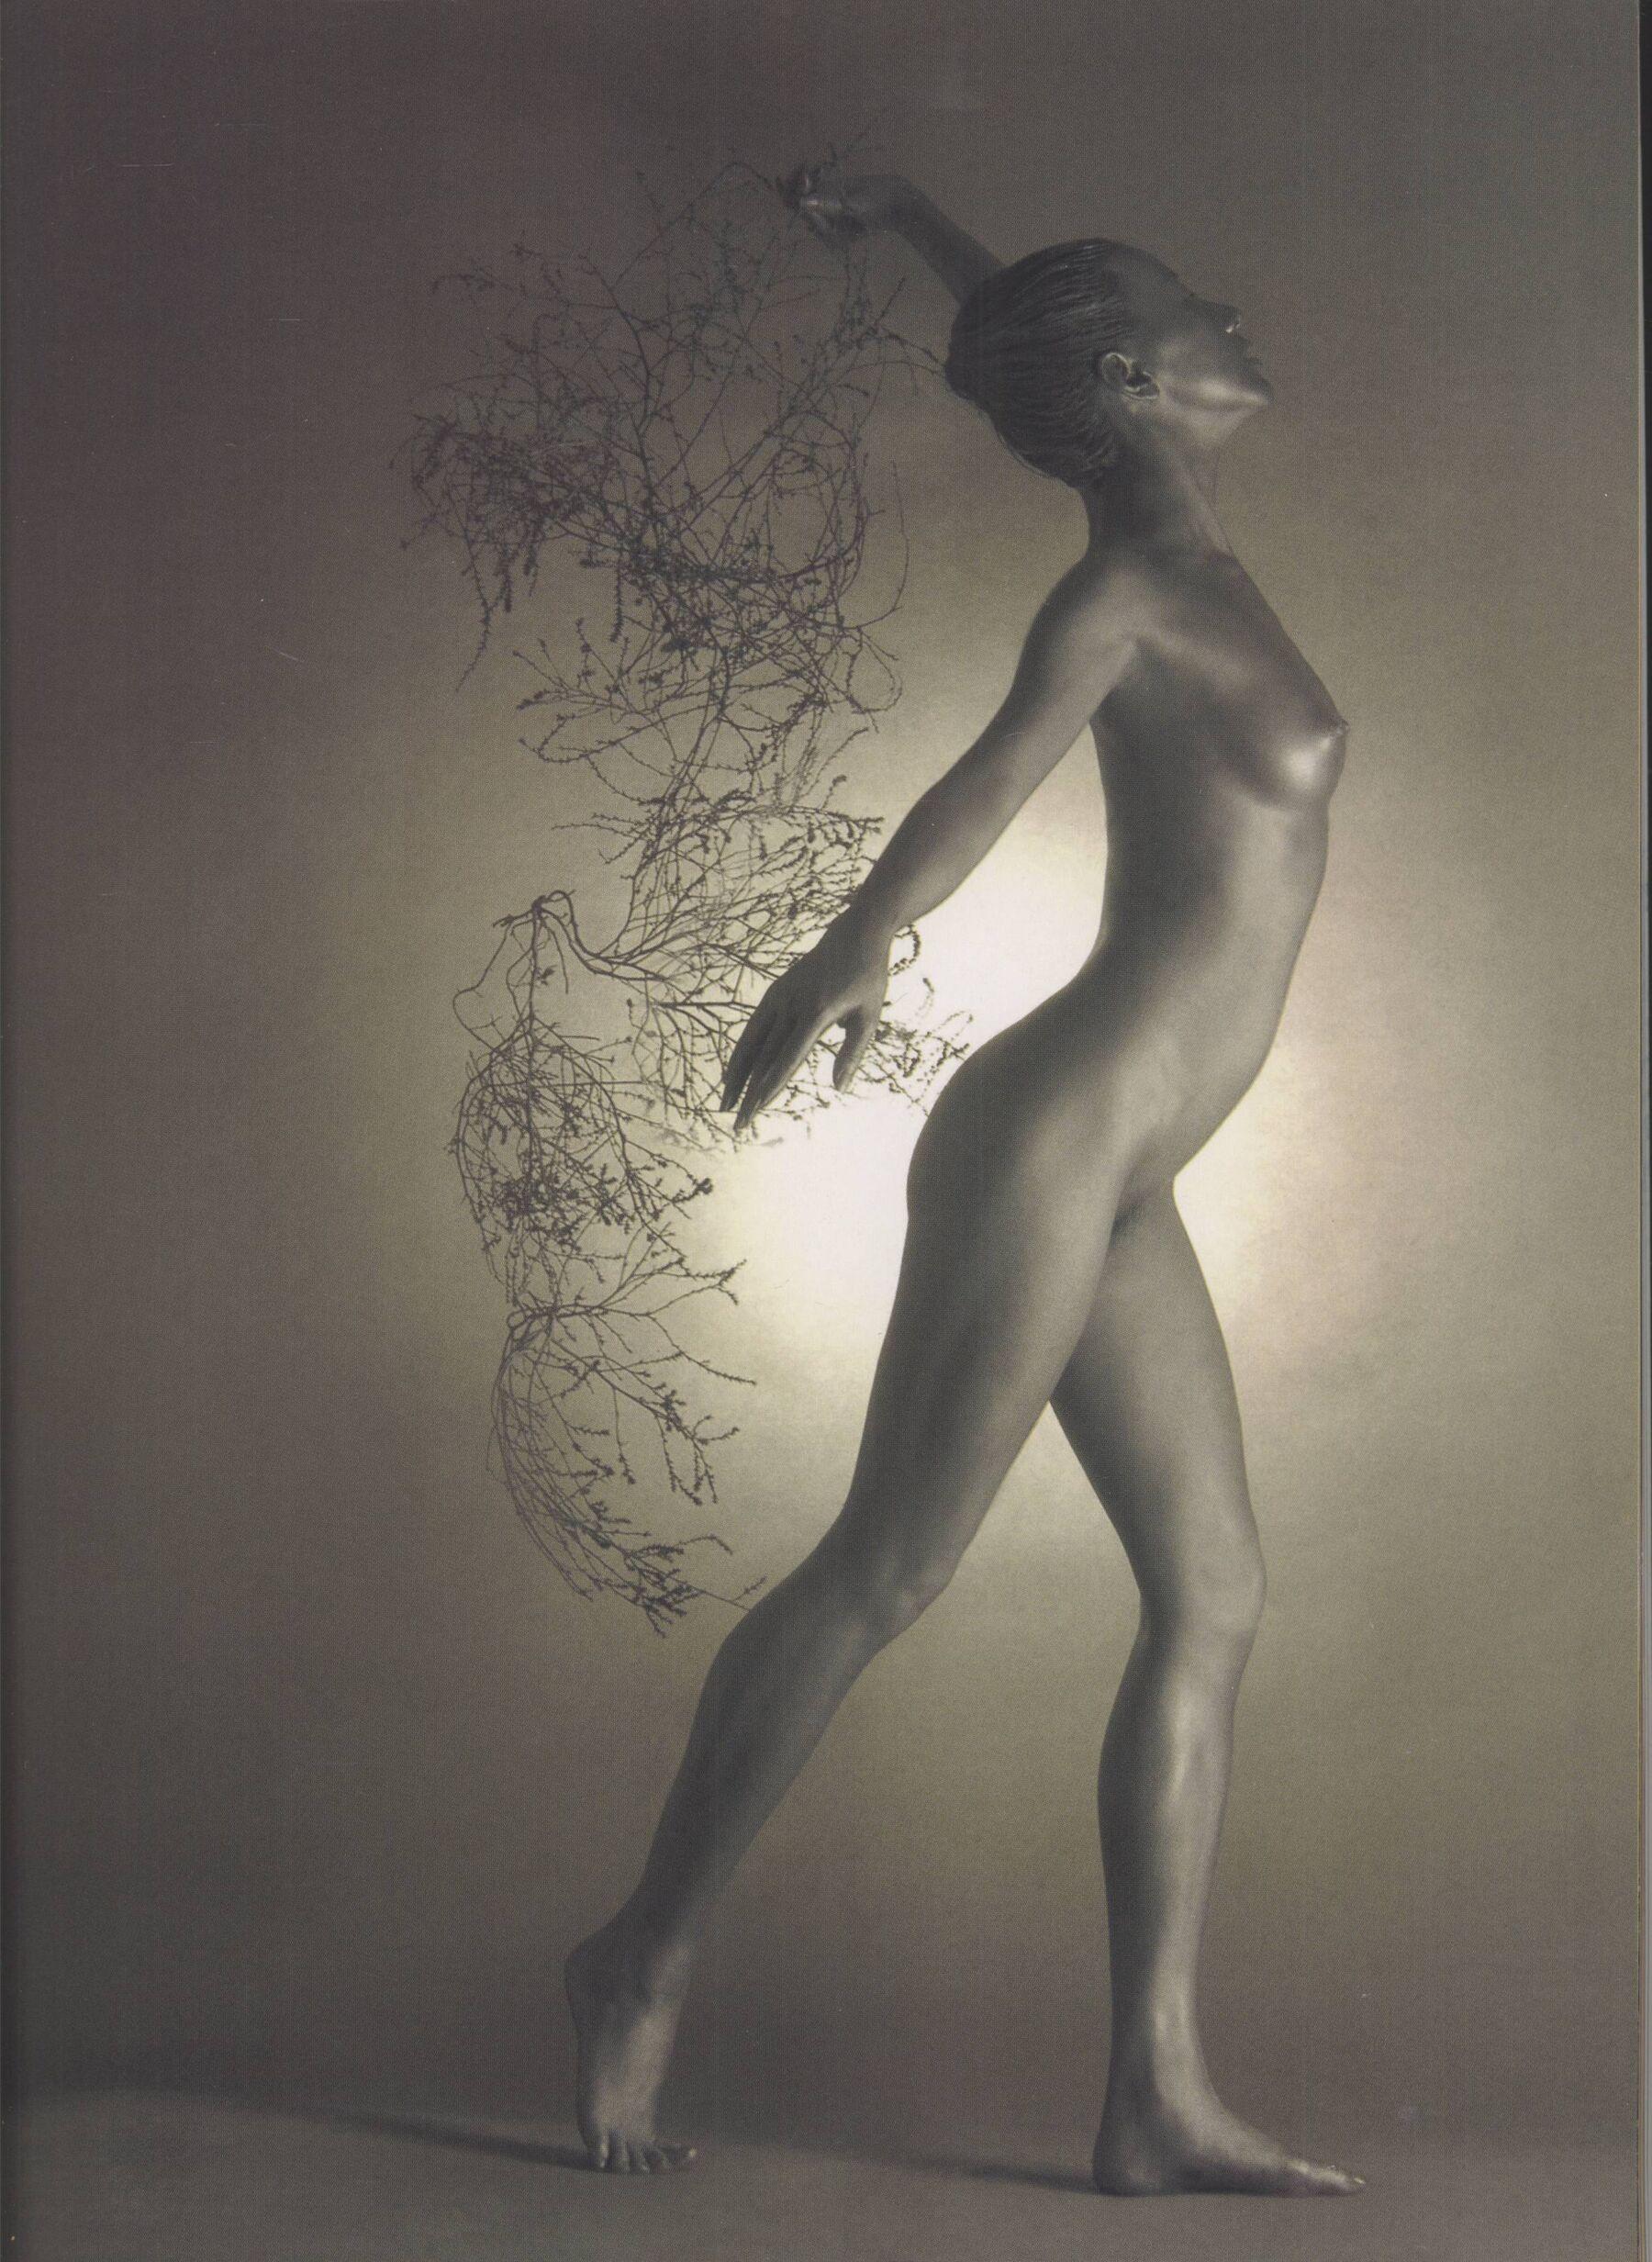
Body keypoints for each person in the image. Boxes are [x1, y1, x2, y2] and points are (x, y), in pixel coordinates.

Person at [565, 162, 1363, 2198]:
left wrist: (915, 213)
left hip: (1133, 1170)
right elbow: (990, 774)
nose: (1235, 312)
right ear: (1133, 380)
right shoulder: (1125, 596)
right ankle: (641, 1951)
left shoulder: (1183, 548)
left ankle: (1151, 2091)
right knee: (891, 1569)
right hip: (1057, 1132)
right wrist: (854, 946)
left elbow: (1036, 335)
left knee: (1216, 1594)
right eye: (1195, 303)